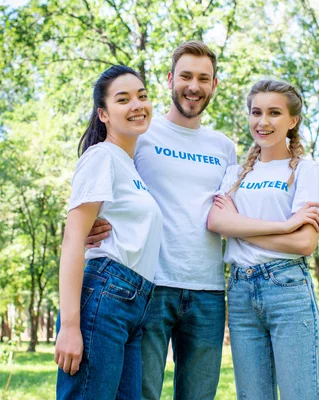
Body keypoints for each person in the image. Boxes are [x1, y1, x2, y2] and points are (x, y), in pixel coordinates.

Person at [87, 41, 236, 399]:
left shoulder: (224, 146)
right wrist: (87, 224)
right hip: (149, 284)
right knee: (143, 393)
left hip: (209, 292)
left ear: (214, 85)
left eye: (204, 78)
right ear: (170, 79)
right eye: (185, 75)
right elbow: (98, 179)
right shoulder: (140, 132)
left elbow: (228, 213)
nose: (193, 86)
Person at [207, 79, 319, 399]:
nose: (263, 122)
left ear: (292, 120)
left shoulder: (306, 170)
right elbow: (217, 220)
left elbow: (304, 244)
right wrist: (285, 226)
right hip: (241, 292)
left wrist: (242, 230)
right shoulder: (235, 174)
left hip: (287, 289)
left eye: (274, 113)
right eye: (256, 112)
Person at [54, 65, 163, 400]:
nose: (137, 105)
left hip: (134, 305)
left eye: (142, 96)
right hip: (105, 297)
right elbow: (73, 238)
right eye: (123, 99)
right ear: (103, 113)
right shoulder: (101, 156)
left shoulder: (130, 167)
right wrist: (70, 326)